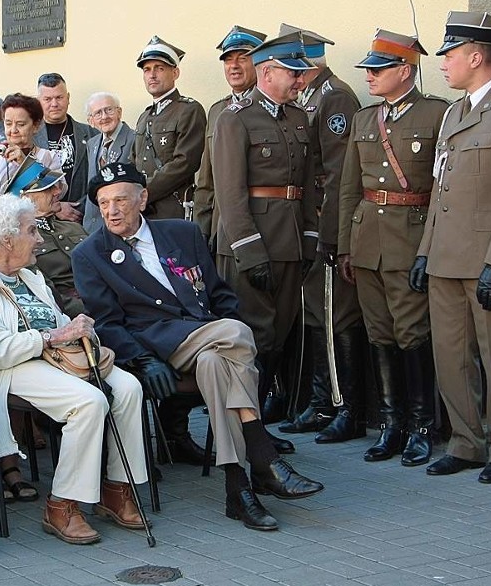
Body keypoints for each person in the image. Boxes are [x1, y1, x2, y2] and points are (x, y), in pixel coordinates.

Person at [72, 163, 324, 531]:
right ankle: (261, 453)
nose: (111, 211)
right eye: (103, 202)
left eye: (121, 200)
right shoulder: (89, 254)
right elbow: (107, 322)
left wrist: (223, 323)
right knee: (238, 335)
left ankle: (238, 491)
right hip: (156, 342)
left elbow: (219, 293)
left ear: (142, 199)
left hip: (207, 338)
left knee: (216, 365)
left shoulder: (182, 233)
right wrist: (141, 359)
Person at [0, 193, 148, 543]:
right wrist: (51, 337)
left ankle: (117, 489)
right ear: (8, 238)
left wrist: (80, 331)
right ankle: (62, 505)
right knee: (89, 402)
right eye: (32, 231)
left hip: (55, 358)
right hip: (7, 368)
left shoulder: (30, 277)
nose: (40, 239)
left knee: (130, 387)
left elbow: (58, 323)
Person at [338, 30, 447, 466]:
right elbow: (350, 187)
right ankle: (391, 423)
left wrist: (431, 247)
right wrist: (346, 245)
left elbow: (442, 188)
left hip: (410, 237)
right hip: (368, 242)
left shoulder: (436, 113)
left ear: (405, 71)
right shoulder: (365, 120)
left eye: (378, 69)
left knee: (412, 333)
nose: (369, 76)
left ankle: (422, 426)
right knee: (379, 332)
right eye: (368, 69)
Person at [213, 32, 322, 456]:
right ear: (268, 71)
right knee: (251, 339)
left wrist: (310, 237)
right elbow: (230, 192)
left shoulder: (298, 118)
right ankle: (246, 433)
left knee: (277, 336)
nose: (299, 80)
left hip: (291, 242)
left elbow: (308, 186)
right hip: (252, 245)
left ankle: (257, 427)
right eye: (292, 73)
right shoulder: (234, 119)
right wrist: (249, 249)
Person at [411, 11, 491, 481]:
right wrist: (425, 251)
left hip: (486, 259)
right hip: (446, 258)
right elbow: (439, 189)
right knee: (451, 355)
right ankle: (466, 442)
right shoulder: (453, 112)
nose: (443, 63)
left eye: (449, 54)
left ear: (477, 55)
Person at [277, 25, 367, 444]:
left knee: (334, 315)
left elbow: (337, 176)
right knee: (316, 313)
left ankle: (344, 405)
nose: (289, 75)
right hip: (307, 224)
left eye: (292, 64)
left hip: (324, 226)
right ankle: (319, 401)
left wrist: (330, 235)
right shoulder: (310, 97)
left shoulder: (334, 98)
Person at [196, 25, 266, 245]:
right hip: (221, 224)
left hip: (262, 222)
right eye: (228, 60)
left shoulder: (272, 107)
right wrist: (202, 230)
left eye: (242, 58)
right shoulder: (217, 111)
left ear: (259, 62)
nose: (234, 66)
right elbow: (206, 180)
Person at [131, 36, 206, 220]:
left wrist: (145, 191)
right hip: (142, 211)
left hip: (172, 210)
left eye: (160, 68)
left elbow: (185, 163)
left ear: (175, 73)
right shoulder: (144, 116)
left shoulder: (189, 110)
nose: (152, 75)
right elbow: (135, 161)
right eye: (147, 70)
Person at [18, 165, 88, 317]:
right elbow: (45, 291)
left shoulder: (73, 228)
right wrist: (90, 311)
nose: (57, 192)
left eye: (56, 186)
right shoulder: (23, 241)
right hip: (73, 314)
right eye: (48, 189)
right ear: (26, 198)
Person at [34, 73, 96, 222]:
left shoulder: (91, 134)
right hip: (42, 223)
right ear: (38, 102)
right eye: (48, 99)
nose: (54, 104)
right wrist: (55, 207)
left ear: (68, 98)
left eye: (59, 97)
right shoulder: (30, 138)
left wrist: (79, 207)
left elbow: (99, 179)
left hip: (81, 218)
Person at [0, 93, 64, 198]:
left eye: (21, 124)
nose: (13, 130)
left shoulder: (49, 157)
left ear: (36, 126)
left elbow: (59, 192)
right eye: (8, 123)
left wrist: (25, 164)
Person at [82, 92, 136, 233]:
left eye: (109, 110)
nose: (104, 116)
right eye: (98, 113)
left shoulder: (135, 139)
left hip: (123, 224)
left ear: (119, 112)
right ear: (91, 121)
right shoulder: (92, 144)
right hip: (94, 227)